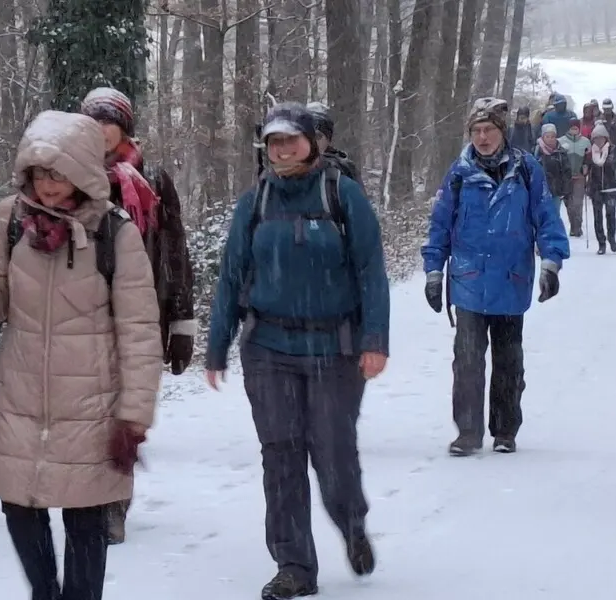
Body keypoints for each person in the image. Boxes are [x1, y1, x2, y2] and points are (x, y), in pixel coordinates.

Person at [0, 110, 163, 599]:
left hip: (91, 402)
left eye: (60, 172)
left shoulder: (116, 233)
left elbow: (139, 331)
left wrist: (134, 416)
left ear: (83, 171)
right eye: (40, 172)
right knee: (19, 508)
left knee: (86, 519)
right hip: (21, 396)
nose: (49, 185)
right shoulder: (10, 219)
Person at [204, 102, 387, 600]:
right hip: (267, 346)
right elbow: (231, 276)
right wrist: (216, 344)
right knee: (280, 456)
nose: (282, 149)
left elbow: (371, 271)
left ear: (312, 142)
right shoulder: (255, 201)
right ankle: (294, 564)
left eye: (291, 140)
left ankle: (351, 521)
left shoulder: (341, 194)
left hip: (335, 344)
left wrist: (375, 341)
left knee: (332, 452)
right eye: (273, 142)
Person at [78, 86, 198, 545]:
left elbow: (174, 248)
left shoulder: (152, 179)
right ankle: (87, 498)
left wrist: (182, 322)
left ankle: (113, 506)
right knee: (87, 411)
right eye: (93, 122)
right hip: (81, 313)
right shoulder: (68, 174)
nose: (101, 132)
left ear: (124, 128)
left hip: (141, 309)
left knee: (124, 413)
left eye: (109, 122)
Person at [422, 97, 570, 457]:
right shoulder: (458, 174)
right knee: (467, 360)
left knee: (508, 360)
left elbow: (546, 217)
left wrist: (551, 263)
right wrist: (433, 271)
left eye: (489, 129)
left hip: (511, 279)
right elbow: (440, 225)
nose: (483, 137)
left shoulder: (526, 169)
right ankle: (468, 433)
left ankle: (505, 430)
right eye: (476, 130)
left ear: (502, 132)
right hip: (468, 280)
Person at [581, 126, 616, 255]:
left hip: (611, 187)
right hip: (595, 189)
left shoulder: (614, 150)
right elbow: (584, 167)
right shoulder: (590, 153)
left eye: (601, 138)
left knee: (610, 215)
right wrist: (584, 169)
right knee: (597, 217)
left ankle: (611, 238)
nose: (598, 141)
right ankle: (601, 243)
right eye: (596, 138)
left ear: (606, 138)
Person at [533, 124, 574, 224]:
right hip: (540, 191)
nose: (550, 139)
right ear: (543, 137)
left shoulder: (561, 152)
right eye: (547, 137)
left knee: (554, 216)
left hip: (556, 191)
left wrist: (565, 189)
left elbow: (567, 171)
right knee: (541, 217)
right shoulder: (536, 151)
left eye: (553, 137)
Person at [559, 123, 591, 237]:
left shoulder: (585, 141)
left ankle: (577, 227)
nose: (574, 130)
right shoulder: (561, 141)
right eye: (571, 128)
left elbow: (589, 158)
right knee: (569, 203)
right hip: (566, 178)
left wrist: (586, 166)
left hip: (580, 177)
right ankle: (573, 224)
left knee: (578, 203)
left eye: (576, 128)